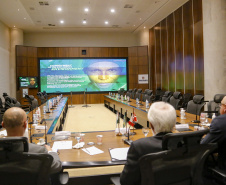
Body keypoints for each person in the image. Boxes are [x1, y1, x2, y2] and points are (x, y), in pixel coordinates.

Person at [120, 102, 176, 185]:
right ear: (174, 123)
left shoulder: (139, 146)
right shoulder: (185, 142)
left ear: (151, 125)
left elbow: (126, 181)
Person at [2, 107, 62, 174]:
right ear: (25, 125)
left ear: (3, 125)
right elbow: (56, 166)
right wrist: (51, 152)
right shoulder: (39, 151)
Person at [201, 96, 226, 169]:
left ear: (225, 109)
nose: (220, 107)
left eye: (221, 105)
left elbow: (204, 144)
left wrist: (202, 136)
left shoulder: (220, 122)